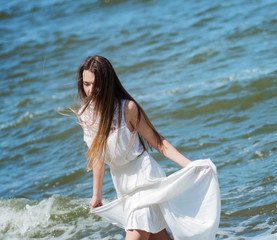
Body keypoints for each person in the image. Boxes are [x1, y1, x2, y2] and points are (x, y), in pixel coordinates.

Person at [76, 56, 220, 240]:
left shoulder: (127, 108)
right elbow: (98, 155)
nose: (91, 90)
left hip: (145, 179)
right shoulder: (85, 115)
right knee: (156, 237)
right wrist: (97, 194)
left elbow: (158, 142)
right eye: (86, 84)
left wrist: (190, 166)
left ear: (108, 83)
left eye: (96, 84)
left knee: (136, 234)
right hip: (123, 187)